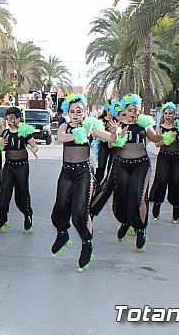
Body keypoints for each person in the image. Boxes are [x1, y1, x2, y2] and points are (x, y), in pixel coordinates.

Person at [51, 94, 118, 270]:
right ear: (68, 112)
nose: (75, 114)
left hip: (83, 173)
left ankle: (87, 243)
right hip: (66, 172)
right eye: (72, 111)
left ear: (85, 112)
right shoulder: (65, 126)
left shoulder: (91, 126)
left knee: (80, 211)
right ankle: (62, 233)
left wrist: (114, 132)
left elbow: (111, 140)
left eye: (79, 111)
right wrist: (78, 135)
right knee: (60, 208)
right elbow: (61, 138)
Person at [90, 94, 163, 252]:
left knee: (139, 196)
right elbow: (110, 145)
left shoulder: (145, 124)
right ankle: (124, 221)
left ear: (140, 110)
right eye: (130, 109)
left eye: (135, 109)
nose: (133, 112)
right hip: (121, 165)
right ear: (125, 110)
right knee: (122, 196)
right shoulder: (118, 125)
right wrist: (116, 133)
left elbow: (156, 140)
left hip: (141, 165)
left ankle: (141, 229)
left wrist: (160, 136)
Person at [148, 102, 179, 223]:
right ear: (163, 115)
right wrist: (168, 138)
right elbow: (157, 144)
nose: (168, 115)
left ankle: (176, 207)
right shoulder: (159, 128)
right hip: (164, 156)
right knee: (161, 180)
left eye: (171, 113)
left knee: (176, 182)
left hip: (177, 158)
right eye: (166, 113)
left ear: (174, 115)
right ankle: (157, 206)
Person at [0, 106, 38, 233]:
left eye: (11, 118)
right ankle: (3, 215)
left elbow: (34, 145)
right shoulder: (5, 133)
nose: (9, 121)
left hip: (22, 166)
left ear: (18, 119)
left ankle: (27, 215)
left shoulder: (24, 132)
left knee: (22, 191)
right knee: (5, 189)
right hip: (9, 166)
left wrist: (33, 150)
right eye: (7, 118)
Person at [94, 99, 118, 188]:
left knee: (111, 166)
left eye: (113, 110)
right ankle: (97, 183)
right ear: (107, 110)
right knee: (101, 165)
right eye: (110, 110)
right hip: (103, 145)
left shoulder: (116, 120)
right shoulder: (100, 120)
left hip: (113, 145)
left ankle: (108, 184)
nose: (111, 112)